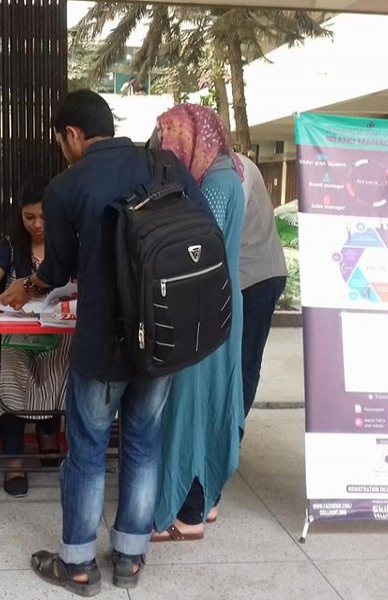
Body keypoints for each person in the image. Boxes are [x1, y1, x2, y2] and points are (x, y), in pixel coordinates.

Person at [0, 90, 207, 596]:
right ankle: (131, 559)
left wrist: (28, 287)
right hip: (163, 336)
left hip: (103, 341)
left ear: (71, 134)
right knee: (142, 441)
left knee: (88, 449)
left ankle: (76, 565)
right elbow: (203, 230)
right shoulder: (164, 166)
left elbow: (57, 268)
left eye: (60, 140)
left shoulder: (66, 186)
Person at [149, 104, 245, 542]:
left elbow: (199, 251)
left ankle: (186, 515)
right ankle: (203, 502)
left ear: (189, 139)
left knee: (190, 409)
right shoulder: (221, 175)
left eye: (169, 138)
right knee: (204, 403)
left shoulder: (220, 183)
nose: (163, 149)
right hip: (214, 307)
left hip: (206, 311)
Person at [0, 175, 71, 499]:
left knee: (61, 364)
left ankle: (48, 435)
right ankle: (14, 458)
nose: (37, 224)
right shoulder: (11, 246)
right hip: (17, 334)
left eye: (44, 216)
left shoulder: (69, 246)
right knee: (10, 366)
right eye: (29, 217)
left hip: (57, 335)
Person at [235, 153, 287, 418]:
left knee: (245, 360)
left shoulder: (237, 168)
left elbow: (229, 218)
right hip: (238, 276)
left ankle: (232, 438)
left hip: (258, 276)